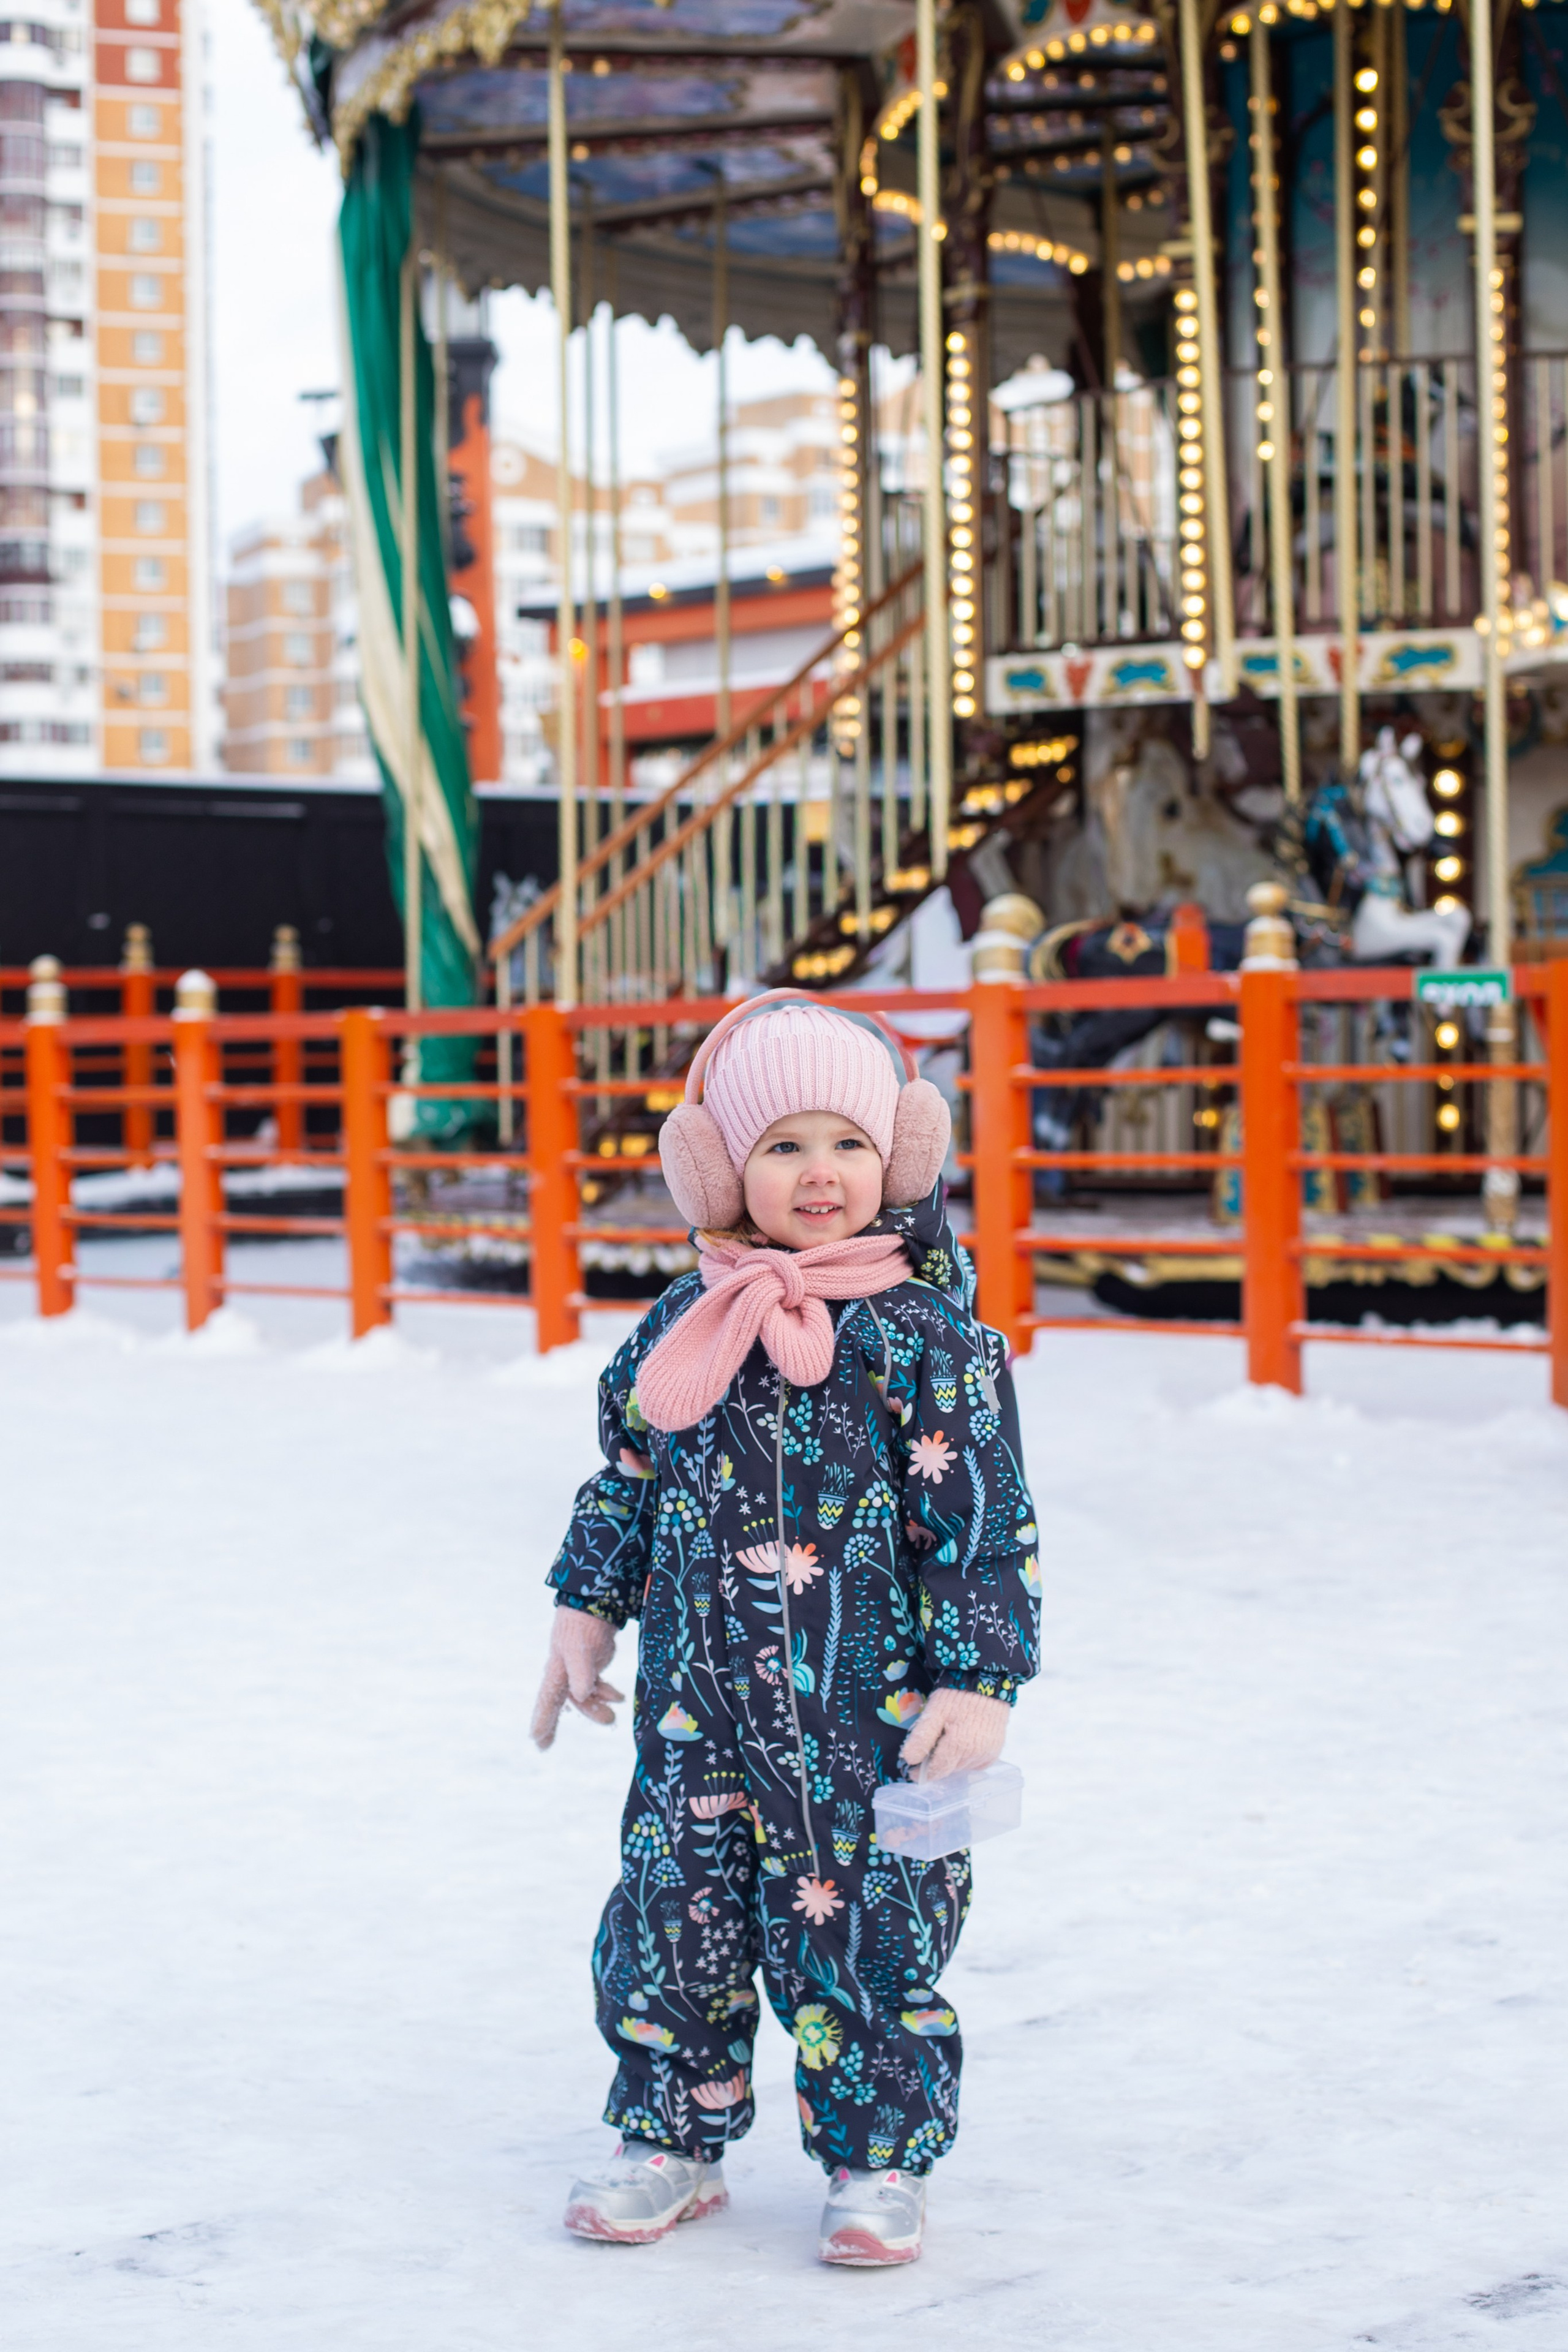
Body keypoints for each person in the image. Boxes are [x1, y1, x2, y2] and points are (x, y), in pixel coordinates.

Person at [530, 992, 1040, 2267]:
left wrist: (978, 1679)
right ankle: (668, 2134)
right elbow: (628, 1481)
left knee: (868, 1928)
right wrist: (582, 1608)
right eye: (781, 1147)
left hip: (864, 1722)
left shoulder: (927, 1340)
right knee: (670, 1913)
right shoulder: (677, 1325)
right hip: (697, 1713)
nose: (818, 1175)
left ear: (897, 1158)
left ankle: (875, 2158)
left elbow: (980, 1520)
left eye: (846, 1145)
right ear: (719, 1169)